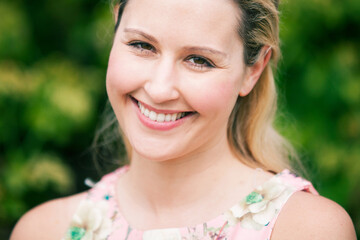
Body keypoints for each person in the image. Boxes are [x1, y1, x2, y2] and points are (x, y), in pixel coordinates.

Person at [11, 0, 357, 239]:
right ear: (115, 28)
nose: (160, 89)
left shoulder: (304, 230)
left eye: (199, 60)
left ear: (253, 70)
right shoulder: (44, 231)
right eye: (142, 46)